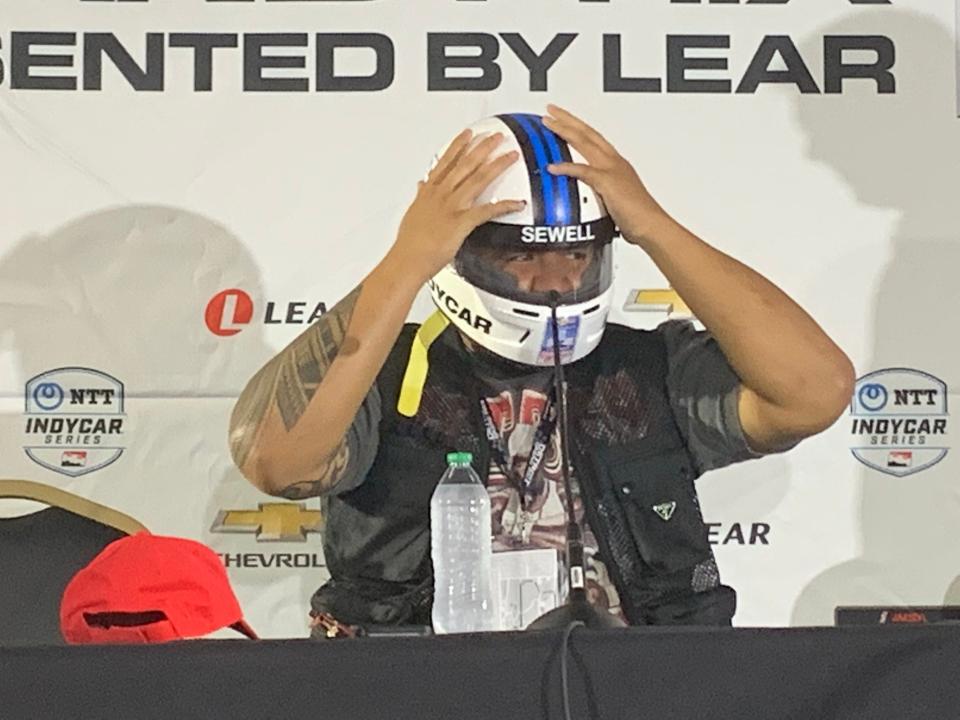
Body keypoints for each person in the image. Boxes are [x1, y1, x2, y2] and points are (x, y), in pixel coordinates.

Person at [228, 105, 854, 631]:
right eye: (524, 254)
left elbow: (814, 392)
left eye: (579, 252)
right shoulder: (384, 376)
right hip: (420, 690)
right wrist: (407, 259)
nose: (558, 280)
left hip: (636, 687)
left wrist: (654, 226)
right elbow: (278, 463)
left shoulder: (648, 370)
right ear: (461, 256)